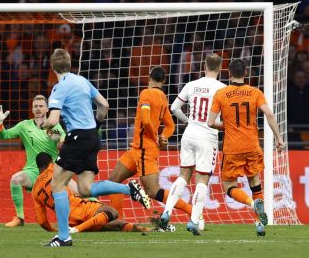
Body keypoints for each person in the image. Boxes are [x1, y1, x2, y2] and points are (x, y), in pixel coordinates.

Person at [40, 48, 149, 247]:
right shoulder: (82, 80)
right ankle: (128, 189)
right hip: (93, 137)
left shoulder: (59, 88)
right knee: (85, 188)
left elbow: (53, 120)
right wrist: (96, 125)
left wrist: (43, 123)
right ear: (70, 63)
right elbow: (104, 105)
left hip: (77, 137)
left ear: (53, 67)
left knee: (57, 184)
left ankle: (64, 237)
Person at [207, 59, 285, 236]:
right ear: (246, 73)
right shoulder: (255, 92)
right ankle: (260, 224)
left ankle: (251, 204)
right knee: (255, 183)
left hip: (232, 147)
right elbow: (270, 114)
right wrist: (279, 139)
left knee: (228, 186)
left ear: (228, 72)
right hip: (252, 145)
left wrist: (226, 126)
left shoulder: (221, 94)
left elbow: (211, 122)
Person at [109, 66, 193, 223]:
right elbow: (170, 126)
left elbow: (146, 121)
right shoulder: (162, 97)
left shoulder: (146, 94)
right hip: (136, 149)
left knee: (153, 191)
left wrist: (155, 138)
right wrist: (163, 137)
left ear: (149, 77)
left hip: (145, 151)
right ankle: (118, 220)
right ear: (164, 81)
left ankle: (191, 211)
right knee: (113, 181)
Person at [159, 54, 227, 235]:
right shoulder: (222, 89)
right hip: (208, 136)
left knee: (183, 175)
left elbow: (174, 108)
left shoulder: (191, 85)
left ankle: (167, 212)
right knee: (202, 179)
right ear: (220, 68)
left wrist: (189, 121)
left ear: (204, 65)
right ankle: (194, 220)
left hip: (189, 134)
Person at [0, 95, 65, 227]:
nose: (38, 109)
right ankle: (20, 218)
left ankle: (72, 218)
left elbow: (62, 141)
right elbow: (4, 136)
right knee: (15, 179)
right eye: (35, 106)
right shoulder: (24, 126)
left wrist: (59, 141)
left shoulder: (52, 127)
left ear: (47, 109)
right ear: (32, 109)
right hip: (32, 172)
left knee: (63, 199)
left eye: (41, 106)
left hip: (51, 173)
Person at [32, 152, 151, 233]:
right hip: (81, 207)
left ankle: (147, 230)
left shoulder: (35, 190)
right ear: (50, 162)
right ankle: (128, 189)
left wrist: (53, 230)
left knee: (116, 224)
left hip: (70, 220)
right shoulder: (54, 169)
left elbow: (42, 222)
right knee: (112, 212)